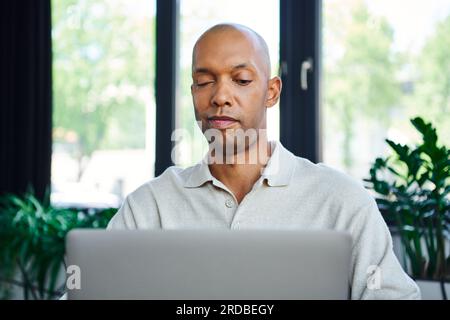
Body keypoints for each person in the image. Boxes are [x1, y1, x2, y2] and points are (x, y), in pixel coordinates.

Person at [107, 23, 421, 300]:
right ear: (193, 94)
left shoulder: (341, 202)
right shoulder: (149, 206)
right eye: (204, 82)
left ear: (271, 92)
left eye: (241, 79)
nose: (220, 96)